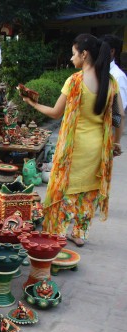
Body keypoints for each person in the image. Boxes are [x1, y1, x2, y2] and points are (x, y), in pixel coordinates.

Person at [22, 34, 125, 247]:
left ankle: (58, 232)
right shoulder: (110, 82)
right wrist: (115, 143)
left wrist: (31, 103)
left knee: (64, 188)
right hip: (98, 148)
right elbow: (118, 116)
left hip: (74, 148)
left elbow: (55, 113)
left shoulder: (75, 81)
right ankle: (79, 234)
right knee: (88, 191)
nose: (71, 59)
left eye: (73, 53)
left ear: (84, 54)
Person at [101, 34, 127, 114]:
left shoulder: (118, 76)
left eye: (102, 49)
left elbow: (119, 110)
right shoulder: (98, 71)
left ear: (112, 51)